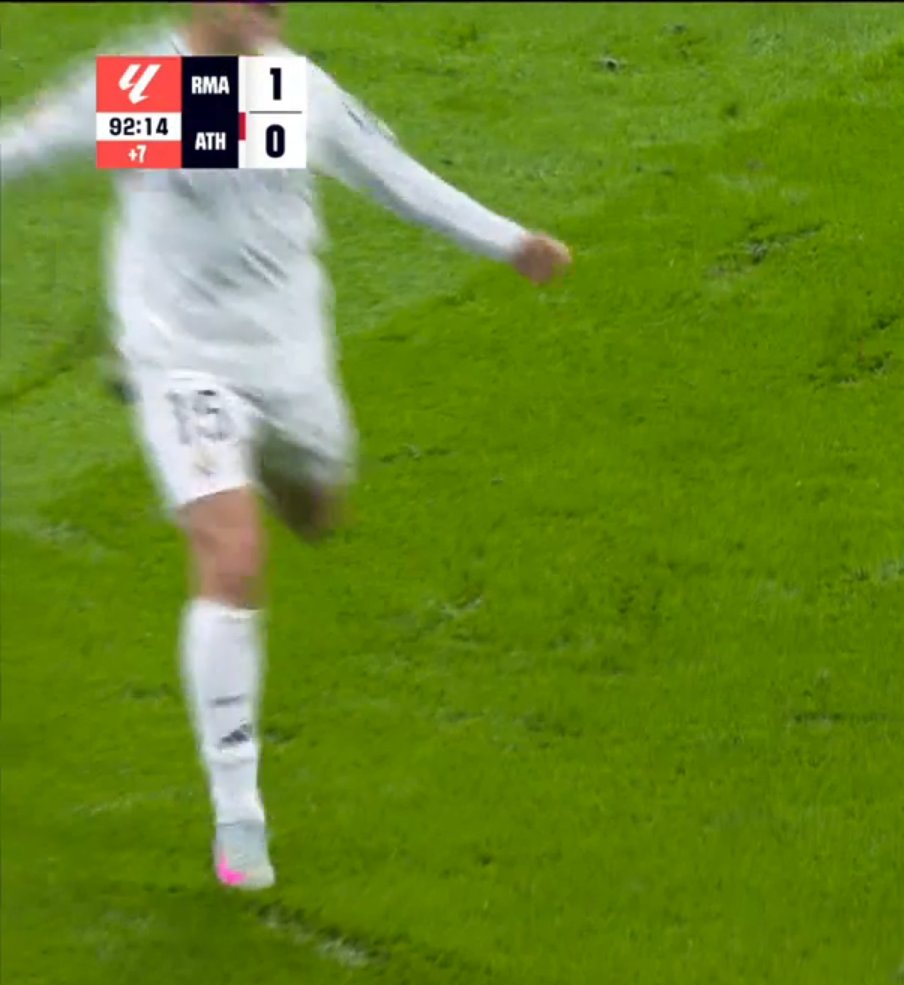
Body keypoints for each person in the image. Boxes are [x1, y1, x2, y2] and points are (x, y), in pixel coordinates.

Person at [0, 2, 571, 891]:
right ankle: (240, 817)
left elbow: (394, 176)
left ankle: (257, 459)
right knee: (233, 559)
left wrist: (510, 243)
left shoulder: (295, 94)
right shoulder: (141, 90)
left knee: (316, 511)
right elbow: (24, 145)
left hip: (288, 361)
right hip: (182, 362)